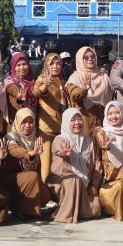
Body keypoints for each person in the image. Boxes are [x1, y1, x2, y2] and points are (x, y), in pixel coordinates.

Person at [48, 108, 102, 223]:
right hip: (61, 183)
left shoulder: (89, 142)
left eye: (79, 119)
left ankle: (74, 209)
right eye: (72, 120)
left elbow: (97, 166)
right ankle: (65, 215)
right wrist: (65, 153)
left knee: (95, 210)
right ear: (66, 122)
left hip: (84, 185)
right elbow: (59, 149)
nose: (77, 123)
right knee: (74, 180)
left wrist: (94, 184)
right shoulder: (60, 139)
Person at [1, 108, 55, 219]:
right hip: (9, 180)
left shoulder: (35, 139)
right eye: (24, 122)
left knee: (36, 179)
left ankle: (39, 204)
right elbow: (14, 150)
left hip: (27, 179)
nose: (28, 125)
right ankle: (27, 210)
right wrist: (30, 153)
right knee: (32, 176)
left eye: (31, 122)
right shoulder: (10, 137)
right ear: (18, 122)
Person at [34, 52, 80, 181]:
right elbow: (37, 91)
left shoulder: (62, 81)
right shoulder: (43, 78)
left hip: (61, 127)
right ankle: (44, 190)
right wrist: (45, 86)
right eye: (52, 63)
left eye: (58, 63)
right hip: (47, 128)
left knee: (58, 163)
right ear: (46, 65)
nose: (55, 66)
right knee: (46, 164)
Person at [93, 101, 123, 221]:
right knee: (110, 191)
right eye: (110, 113)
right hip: (107, 182)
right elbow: (102, 142)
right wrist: (105, 145)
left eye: (117, 113)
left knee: (121, 186)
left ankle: (120, 215)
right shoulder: (101, 132)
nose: (113, 116)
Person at [67, 46, 113, 133]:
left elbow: (111, 96)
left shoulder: (103, 76)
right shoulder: (75, 77)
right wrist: (84, 89)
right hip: (83, 121)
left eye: (92, 56)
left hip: (102, 120)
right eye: (86, 57)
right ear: (80, 59)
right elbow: (74, 96)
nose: (90, 59)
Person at [4, 52, 36, 122]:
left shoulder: (33, 80)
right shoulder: (10, 80)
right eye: (18, 65)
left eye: (24, 64)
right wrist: (19, 96)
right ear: (14, 67)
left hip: (32, 120)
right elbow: (12, 88)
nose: (22, 67)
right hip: (17, 121)